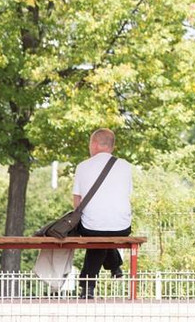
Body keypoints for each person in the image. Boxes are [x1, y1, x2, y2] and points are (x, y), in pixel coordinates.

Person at [72, 128, 133, 299]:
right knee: (104, 234)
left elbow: (77, 203)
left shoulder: (82, 167)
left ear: (95, 144)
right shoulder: (126, 166)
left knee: (97, 236)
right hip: (122, 226)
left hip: (91, 227)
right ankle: (114, 266)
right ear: (112, 147)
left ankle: (88, 287)